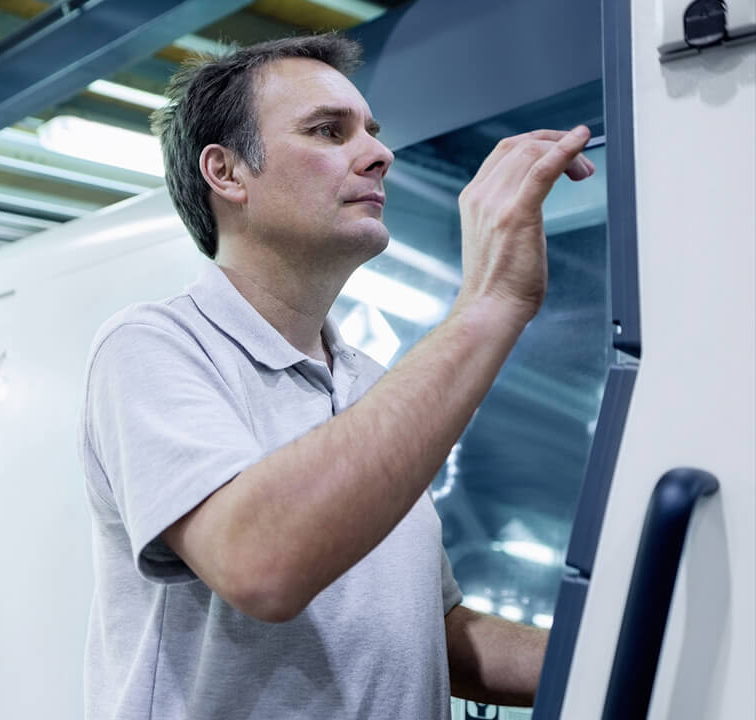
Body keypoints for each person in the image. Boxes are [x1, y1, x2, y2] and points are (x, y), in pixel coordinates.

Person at [78, 33, 595, 720]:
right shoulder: (155, 347)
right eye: (329, 130)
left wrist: (616, 655)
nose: (380, 154)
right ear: (226, 172)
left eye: (372, 133)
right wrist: (490, 302)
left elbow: (429, 632)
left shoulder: (374, 387)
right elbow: (259, 563)